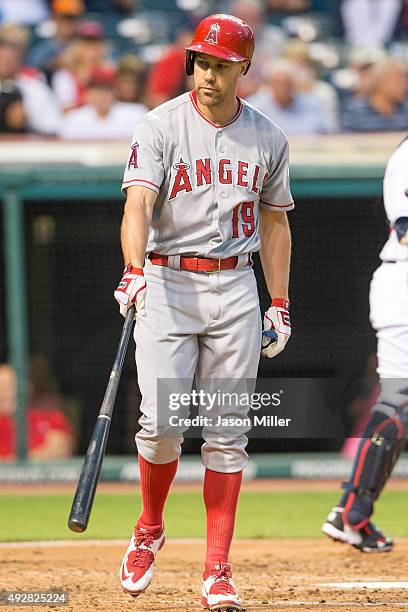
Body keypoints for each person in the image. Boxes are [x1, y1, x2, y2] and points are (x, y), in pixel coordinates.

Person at [114, 13, 294, 610]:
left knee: (226, 434)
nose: (208, 74)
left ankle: (217, 569)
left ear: (243, 68)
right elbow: (138, 203)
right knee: (162, 426)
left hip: (237, 288)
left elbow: (275, 221)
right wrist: (133, 268)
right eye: (201, 62)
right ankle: (149, 527)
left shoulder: (268, 136)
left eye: (221, 64)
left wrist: (280, 303)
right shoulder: (159, 125)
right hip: (167, 281)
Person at [322, 137, 408, 552]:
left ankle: (351, 512)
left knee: (401, 404)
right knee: (399, 402)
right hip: (404, 281)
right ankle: (352, 509)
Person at [0, 361, 74, 460]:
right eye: (1, 388)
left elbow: (59, 451)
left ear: (28, 388)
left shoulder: (51, 418)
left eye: (11, 386)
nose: (5, 394)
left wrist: (10, 463)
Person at [248, 59, 332, 135]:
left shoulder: (312, 104)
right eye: (278, 83)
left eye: (287, 82)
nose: (283, 87)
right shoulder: (255, 107)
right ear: (269, 84)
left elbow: (327, 133)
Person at [58, 67, 147, 139]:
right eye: (96, 91)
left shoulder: (136, 115)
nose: (101, 96)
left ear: (114, 92)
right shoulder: (74, 120)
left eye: (105, 91)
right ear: (87, 94)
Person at [341, 58, 408, 133]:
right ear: (381, 81)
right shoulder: (355, 111)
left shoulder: (405, 110)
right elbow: (347, 141)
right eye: (398, 79)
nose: (404, 85)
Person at [28, 0, 85, 78]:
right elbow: (31, 73)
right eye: (67, 18)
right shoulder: (43, 49)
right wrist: (55, 64)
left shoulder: (83, 45)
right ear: (55, 18)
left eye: (75, 18)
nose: (71, 23)